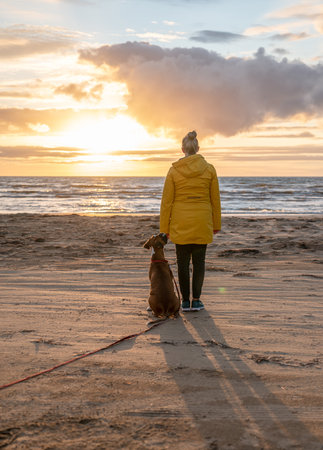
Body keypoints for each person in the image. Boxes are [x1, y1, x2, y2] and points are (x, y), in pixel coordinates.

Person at [160, 130, 221, 312]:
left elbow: (167, 202)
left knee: (183, 263)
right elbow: (215, 200)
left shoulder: (174, 170)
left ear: (182, 149)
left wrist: (165, 228)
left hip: (180, 221)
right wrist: (216, 224)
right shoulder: (209, 169)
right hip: (202, 220)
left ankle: (185, 301)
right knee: (199, 262)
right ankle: (197, 300)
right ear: (198, 148)